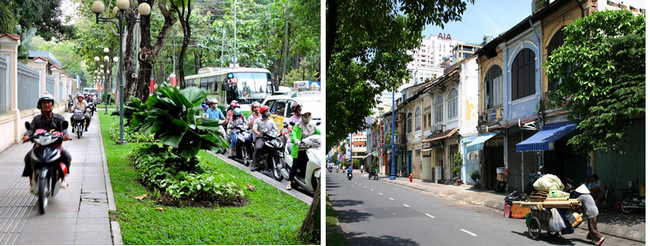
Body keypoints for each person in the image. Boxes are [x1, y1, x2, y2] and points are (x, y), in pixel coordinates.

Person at [22, 93, 72, 190]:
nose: (46, 105)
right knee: (28, 157)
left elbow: (64, 129)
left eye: (49, 102)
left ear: (52, 104)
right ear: (40, 105)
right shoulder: (37, 119)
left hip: (55, 145)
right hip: (39, 145)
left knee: (67, 156)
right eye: (44, 103)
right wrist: (27, 136)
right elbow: (31, 129)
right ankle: (31, 181)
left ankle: (63, 179)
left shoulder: (59, 118)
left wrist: (65, 135)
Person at [286, 107, 321, 190]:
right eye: (305, 115)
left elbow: (319, 133)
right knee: (295, 165)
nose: (307, 117)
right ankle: (289, 182)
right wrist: (296, 140)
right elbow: (293, 134)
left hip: (311, 148)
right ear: (302, 116)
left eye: (309, 115)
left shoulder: (312, 125)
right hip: (299, 148)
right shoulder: (298, 125)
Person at [251, 105, 279, 171]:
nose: (268, 112)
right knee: (258, 148)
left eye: (268, 111)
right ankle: (253, 164)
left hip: (271, 137)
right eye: (266, 111)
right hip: (261, 137)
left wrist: (279, 132)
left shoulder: (271, 121)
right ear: (263, 112)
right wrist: (257, 133)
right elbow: (254, 129)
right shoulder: (257, 120)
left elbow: (276, 129)